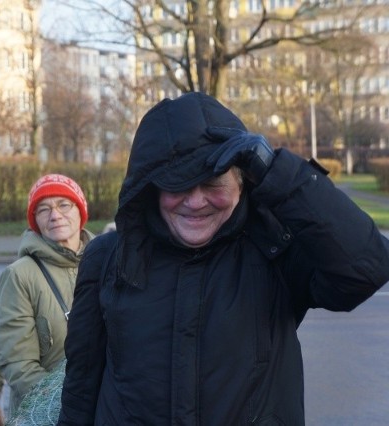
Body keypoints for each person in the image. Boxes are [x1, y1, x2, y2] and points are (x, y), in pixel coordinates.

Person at [58, 93, 389, 425]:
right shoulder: (108, 258)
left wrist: (280, 174)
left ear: (243, 183)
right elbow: (81, 387)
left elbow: (365, 268)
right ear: (151, 188)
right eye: (178, 184)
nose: (196, 201)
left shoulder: (274, 248)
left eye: (213, 182)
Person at [0, 173, 95, 415]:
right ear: (35, 221)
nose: (55, 215)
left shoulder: (106, 263)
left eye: (64, 205)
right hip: (46, 412)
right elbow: (18, 363)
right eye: (43, 209)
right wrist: (60, 405)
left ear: (80, 211)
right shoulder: (20, 275)